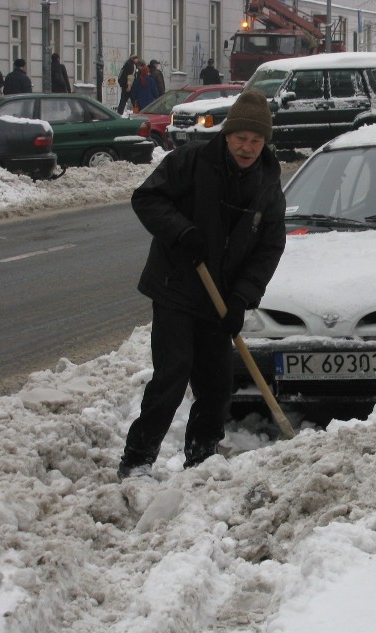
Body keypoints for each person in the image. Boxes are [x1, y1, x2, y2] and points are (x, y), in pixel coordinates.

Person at [118, 89, 287, 480]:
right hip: (177, 287)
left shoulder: (267, 184)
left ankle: (201, 460)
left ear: (265, 142)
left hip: (221, 299)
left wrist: (243, 297)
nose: (247, 148)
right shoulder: (191, 162)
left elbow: (269, 247)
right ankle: (137, 461)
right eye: (241, 139)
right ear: (227, 136)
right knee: (171, 377)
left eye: (256, 141)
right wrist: (182, 232)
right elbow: (147, 199)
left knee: (216, 388)